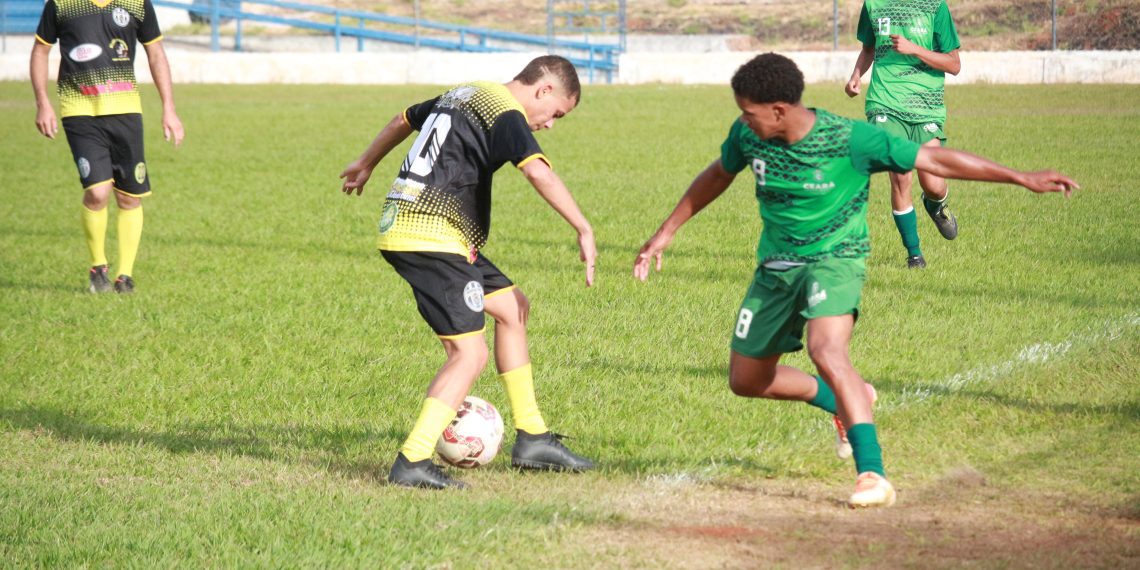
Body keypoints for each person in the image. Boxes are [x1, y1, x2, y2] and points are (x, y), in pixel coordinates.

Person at [633, 53, 1076, 507]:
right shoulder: (748, 135)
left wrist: (1021, 176)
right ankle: (847, 400)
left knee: (827, 349)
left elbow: (933, 157)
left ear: (780, 110)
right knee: (746, 380)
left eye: (750, 111)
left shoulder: (849, 139)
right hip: (776, 267)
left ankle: (872, 474)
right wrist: (665, 232)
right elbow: (718, 174)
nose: (744, 119)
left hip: (835, 260)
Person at [340, 55, 597, 490]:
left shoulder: (468, 92)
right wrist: (583, 227)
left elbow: (403, 118)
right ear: (544, 90)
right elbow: (537, 171)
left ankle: (532, 438)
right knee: (469, 354)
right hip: (428, 237)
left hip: (435, 234)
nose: (550, 124)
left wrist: (367, 162)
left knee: (514, 308)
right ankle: (413, 460)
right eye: (555, 114)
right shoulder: (506, 111)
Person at [31, 0, 185, 293]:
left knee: (129, 197)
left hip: (125, 109)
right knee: (97, 191)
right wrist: (42, 103)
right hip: (79, 110)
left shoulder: (137, 4)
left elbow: (156, 53)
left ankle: (124, 276)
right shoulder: (61, 4)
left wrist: (169, 108)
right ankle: (97, 266)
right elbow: (40, 50)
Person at [846, 0, 961, 268]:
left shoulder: (935, 7)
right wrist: (856, 76)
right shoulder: (873, 4)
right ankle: (914, 254)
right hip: (885, 102)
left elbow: (954, 64)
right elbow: (869, 48)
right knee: (900, 175)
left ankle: (935, 205)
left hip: (926, 107)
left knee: (933, 184)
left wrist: (914, 49)